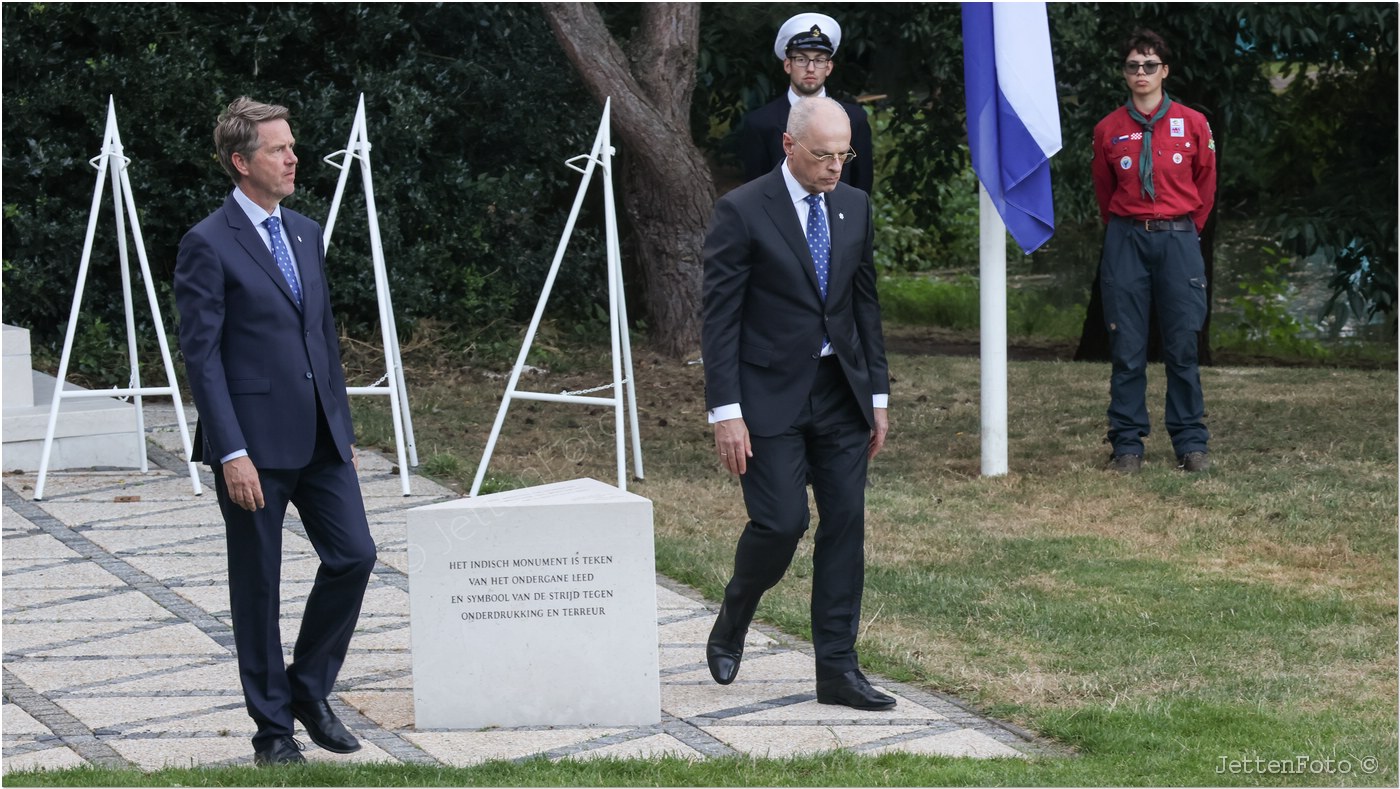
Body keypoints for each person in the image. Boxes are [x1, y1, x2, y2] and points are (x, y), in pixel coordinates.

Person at [174, 97, 377, 766]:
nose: (293, 157)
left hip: (321, 440)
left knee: (355, 555)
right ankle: (273, 732)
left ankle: (309, 689)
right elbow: (201, 357)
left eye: (292, 145)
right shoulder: (207, 243)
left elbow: (320, 335)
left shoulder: (306, 232)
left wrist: (340, 424)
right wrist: (230, 450)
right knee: (257, 589)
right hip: (252, 448)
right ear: (241, 162)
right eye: (278, 149)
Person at [702, 96, 893, 710]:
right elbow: (719, 320)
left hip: (841, 395)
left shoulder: (855, 207)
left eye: (844, 155)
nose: (835, 167)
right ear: (790, 147)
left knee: (845, 527)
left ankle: (837, 670)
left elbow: (865, 307)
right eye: (822, 156)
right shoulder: (742, 210)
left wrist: (879, 395)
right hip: (766, 397)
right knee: (783, 523)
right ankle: (736, 611)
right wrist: (725, 411)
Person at [1091, 29, 1216, 474]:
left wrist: (1182, 229)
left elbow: (1205, 184)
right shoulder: (1109, 129)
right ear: (1125, 73)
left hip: (1179, 238)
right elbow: (1105, 192)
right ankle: (1126, 444)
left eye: (1149, 65)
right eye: (1132, 66)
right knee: (1127, 345)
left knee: (1183, 344)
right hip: (1127, 237)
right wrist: (1131, 227)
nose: (1140, 73)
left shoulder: (1193, 123)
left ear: (1164, 71)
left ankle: (1190, 442)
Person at [737, 12, 874, 194]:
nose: (810, 68)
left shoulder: (854, 119)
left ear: (829, 67)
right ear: (787, 65)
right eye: (801, 59)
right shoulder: (761, 123)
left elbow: (862, 184)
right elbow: (754, 191)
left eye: (819, 60)